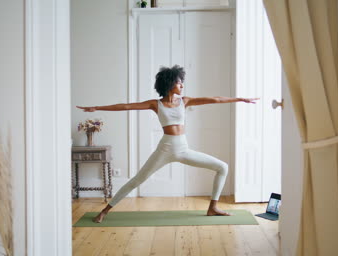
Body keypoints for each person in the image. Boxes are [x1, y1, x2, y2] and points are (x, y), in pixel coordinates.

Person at [76, 65, 259, 223]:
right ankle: (104, 211)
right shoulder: (156, 104)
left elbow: (215, 99)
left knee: (222, 167)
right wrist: (96, 108)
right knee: (137, 180)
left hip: (183, 149)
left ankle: (213, 208)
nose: (182, 85)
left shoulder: (184, 101)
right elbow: (125, 106)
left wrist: (240, 99)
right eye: (179, 82)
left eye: (182, 82)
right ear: (170, 83)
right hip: (165, 149)